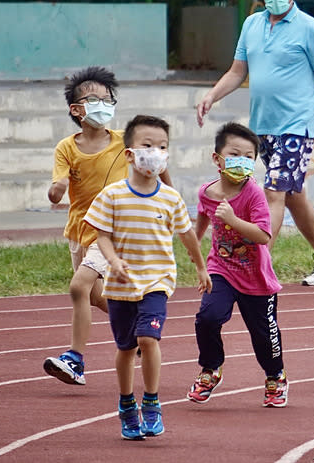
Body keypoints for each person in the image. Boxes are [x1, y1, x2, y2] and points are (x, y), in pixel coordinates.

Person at [195, 0, 314, 287]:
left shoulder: (309, 28)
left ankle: (255, 266)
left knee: (274, 192)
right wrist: (212, 96)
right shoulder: (252, 24)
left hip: (296, 127)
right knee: (293, 194)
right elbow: (238, 71)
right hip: (263, 126)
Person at [84, 114, 211, 439]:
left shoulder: (170, 198)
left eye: (162, 146)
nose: (155, 152)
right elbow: (102, 236)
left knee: (148, 339)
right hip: (120, 286)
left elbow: (187, 236)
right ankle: (127, 404)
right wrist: (113, 261)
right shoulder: (112, 196)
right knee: (126, 348)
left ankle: (151, 402)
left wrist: (199, 266)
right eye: (148, 145)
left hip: (156, 282)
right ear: (129, 153)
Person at [44, 67, 172, 386]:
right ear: (76, 109)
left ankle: (75, 359)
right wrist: (55, 191)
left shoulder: (123, 142)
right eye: (93, 99)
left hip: (113, 231)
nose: (103, 104)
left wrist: (169, 197)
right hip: (80, 231)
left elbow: (157, 164)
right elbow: (57, 183)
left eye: (108, 99)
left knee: (78, 286)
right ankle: (138, 331)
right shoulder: (67, 147)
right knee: (98, 296)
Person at [187, 122, 289, 407]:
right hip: (221, 269)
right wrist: (195, 248)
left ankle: (275, 376)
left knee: (263, 336)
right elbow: (203, 217)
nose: (241, 161)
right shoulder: (207, 192)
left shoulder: (254, 194)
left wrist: (233, 219)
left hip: (257, 279)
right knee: (208, 317)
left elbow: (263, 235)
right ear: (217, 158)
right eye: (235, 154)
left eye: (248, 156)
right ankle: (210, 369)